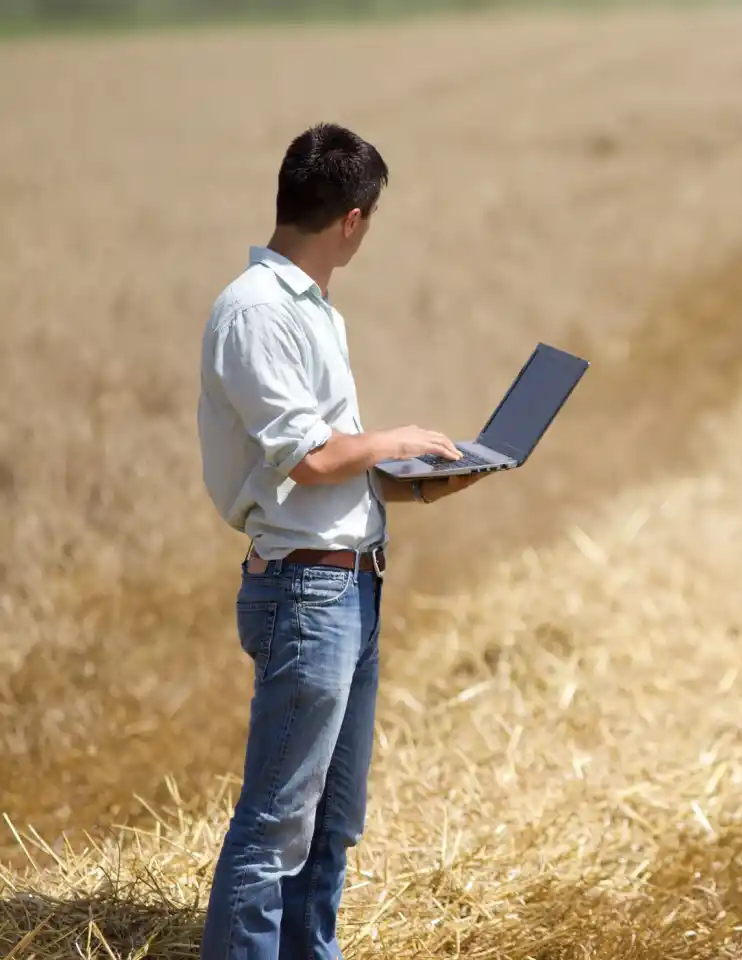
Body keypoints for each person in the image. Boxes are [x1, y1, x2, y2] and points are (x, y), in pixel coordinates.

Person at [196, 122, 484, 959]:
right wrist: (394, 440)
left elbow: (331, 467)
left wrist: (420, 479)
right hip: (305, 595)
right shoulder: (254, 313)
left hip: (351, 586)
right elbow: (309, 456)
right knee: (275, 824)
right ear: (352, 221)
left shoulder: (313, 310)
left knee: (332, 825)